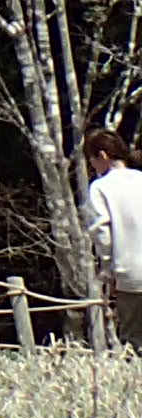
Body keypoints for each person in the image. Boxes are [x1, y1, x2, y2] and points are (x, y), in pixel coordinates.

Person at [87, 129, 142, 314]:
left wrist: (108, 271)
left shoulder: (101, 187)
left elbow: (102, 233)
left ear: (103, 156)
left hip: (131, 276)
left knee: (133, 338)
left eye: (93, 161)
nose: (93, 167)